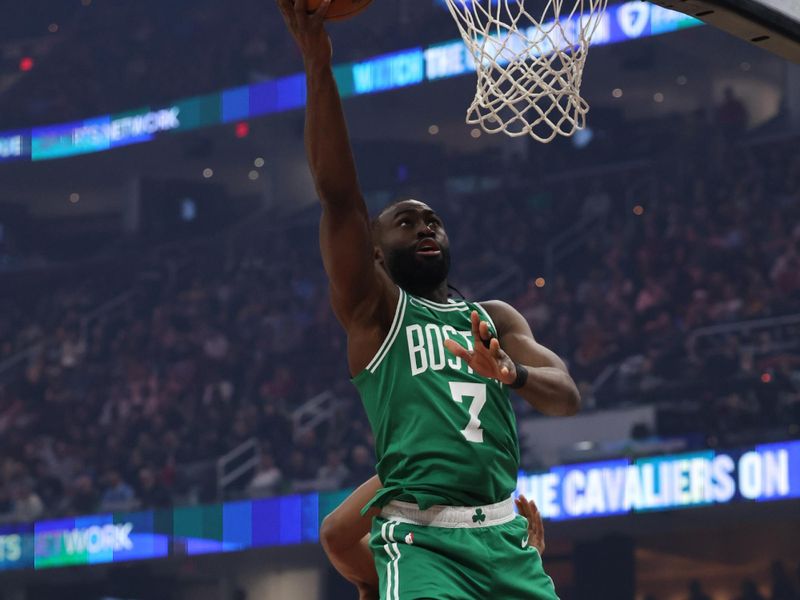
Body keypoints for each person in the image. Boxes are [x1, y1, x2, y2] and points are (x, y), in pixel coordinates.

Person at [276, 1, 580, 597]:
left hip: (505, 541)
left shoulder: (493, 318)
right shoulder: (376, 311)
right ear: (375, 252)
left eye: (433, 220)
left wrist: (512, 373)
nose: (425, 226)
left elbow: (566, 396)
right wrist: (318, 63)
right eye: (406, 221)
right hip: (422, 542)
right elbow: (338, 196)